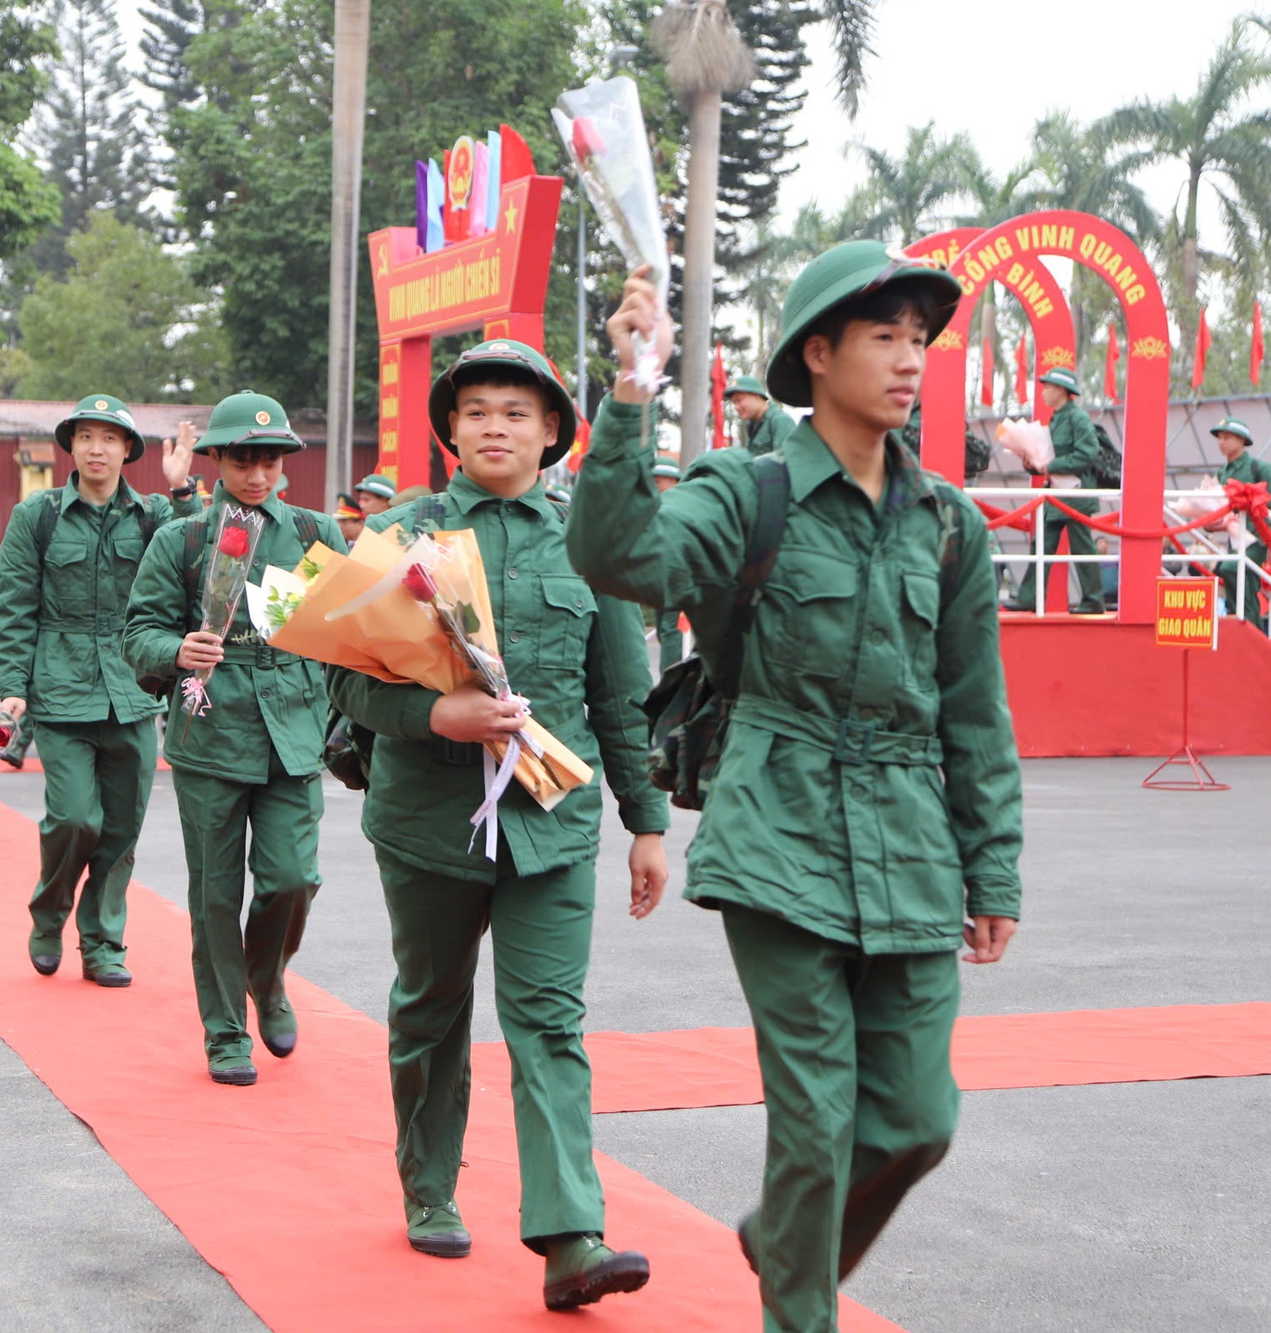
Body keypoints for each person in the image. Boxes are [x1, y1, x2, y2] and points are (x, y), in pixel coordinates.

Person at [567, 244, 1024, 1333]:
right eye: (882, 336)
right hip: (776, 829)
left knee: (916, 1119)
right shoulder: (749, 488)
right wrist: (632, 393)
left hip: (911, 839)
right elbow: (623, 558)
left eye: (918, 338)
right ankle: (798, 1313)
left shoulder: (947, 522)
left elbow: (973, 708)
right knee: (815, 1122)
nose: (908, 359)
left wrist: (991, 860)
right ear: (815, 354)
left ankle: (782, 1243)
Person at [327, 338, 670, 1311]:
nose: (492, 426)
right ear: (450, 428)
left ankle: (570, 1235)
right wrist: (434, 714)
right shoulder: (400, 532)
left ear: (552, 431)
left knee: (548, 1022)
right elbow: (344, 673)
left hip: (552, 825)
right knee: (431, 1006)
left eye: (515, 411)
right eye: (474, 409)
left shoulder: (586, 547)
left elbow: (619, 695)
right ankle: (428, 1182)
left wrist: (644, 821)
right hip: (428, 819)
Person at [126, 391, 347, 1082]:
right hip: (211, 730)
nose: (258, 474)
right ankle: (225, 1031)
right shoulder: (185, 538)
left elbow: (344, 632)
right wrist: (175, 649)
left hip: (292, 726)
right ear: (217, 459)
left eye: (271, 460)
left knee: (291, 879)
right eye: (244, 460)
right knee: (216, 894)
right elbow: (138, 633)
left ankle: (268, 977)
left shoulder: (314, 535)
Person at [0, 394, 191, 987]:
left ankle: (102, 941)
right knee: (76, 819)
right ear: (71, 447)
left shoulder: (154, 515)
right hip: (60, 688)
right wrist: (13, 686)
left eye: (109, 438)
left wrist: (183, 491)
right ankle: (49, 914)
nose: (96, 448)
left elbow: (199, 557)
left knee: (122, 829)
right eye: (85, 437)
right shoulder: (39, 515)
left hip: (133, 689)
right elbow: (14, 605)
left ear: (129, 450)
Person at [1006, 368, 1105, 615]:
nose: (1044, 392)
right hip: (1057, 494)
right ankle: (1030, 598)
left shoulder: (1077, 418)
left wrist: (1051, 466)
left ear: (1061, 390)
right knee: (1042, 544)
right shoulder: (1057, 418)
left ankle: (1093, 600)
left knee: (1082, 547)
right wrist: (1033, 464)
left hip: (1076, 494)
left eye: (1048, 387)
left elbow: (1088, 453)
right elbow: (1051, 455)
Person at [1207, 417, 1271, 634]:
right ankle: (1245, 628)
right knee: (1240, 579)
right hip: (1235, 541)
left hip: (1258, 538)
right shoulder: (1221, 473)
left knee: (1231, 569)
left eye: (1226, 437)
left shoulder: (1260, 468)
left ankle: (1250, 629)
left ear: (1241, 439)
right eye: (1219, 438)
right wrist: (1209, 522)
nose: (1221, 442)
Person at [651, 456, 685, 672]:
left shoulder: (680, 505)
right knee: (665, 631)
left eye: (659, 481)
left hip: (680, 576)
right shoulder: (657, 508)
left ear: (673, 481)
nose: (654, 485)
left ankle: (670, 683)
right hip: (662, 577)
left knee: (672, 631)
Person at [730, 373, 796, 456]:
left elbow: (786, 462)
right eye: (734, 403)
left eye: (739, 400)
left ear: (756, 395)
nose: (736, 407)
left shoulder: (780, 421)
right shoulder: (751, 425)